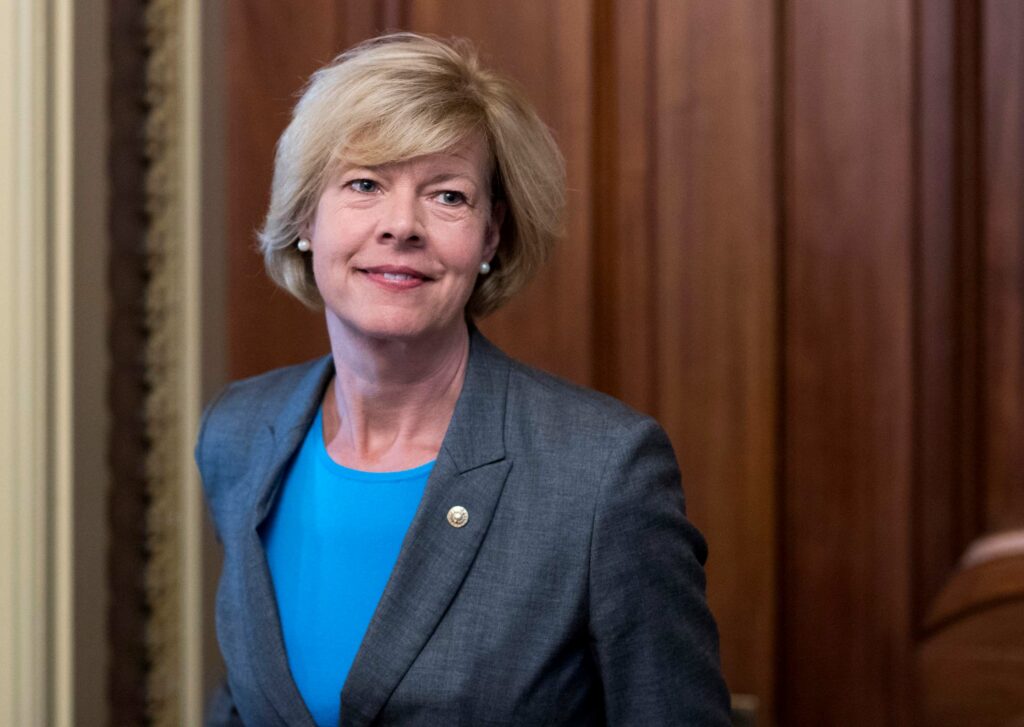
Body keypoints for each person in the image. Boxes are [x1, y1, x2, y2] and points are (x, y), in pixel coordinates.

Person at [196, 32, 730, 727]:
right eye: (364, 184)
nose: (401, 226)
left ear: (490, 236)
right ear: (305, 216)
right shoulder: (239, 433)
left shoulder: (602, 473)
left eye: (448, 195)